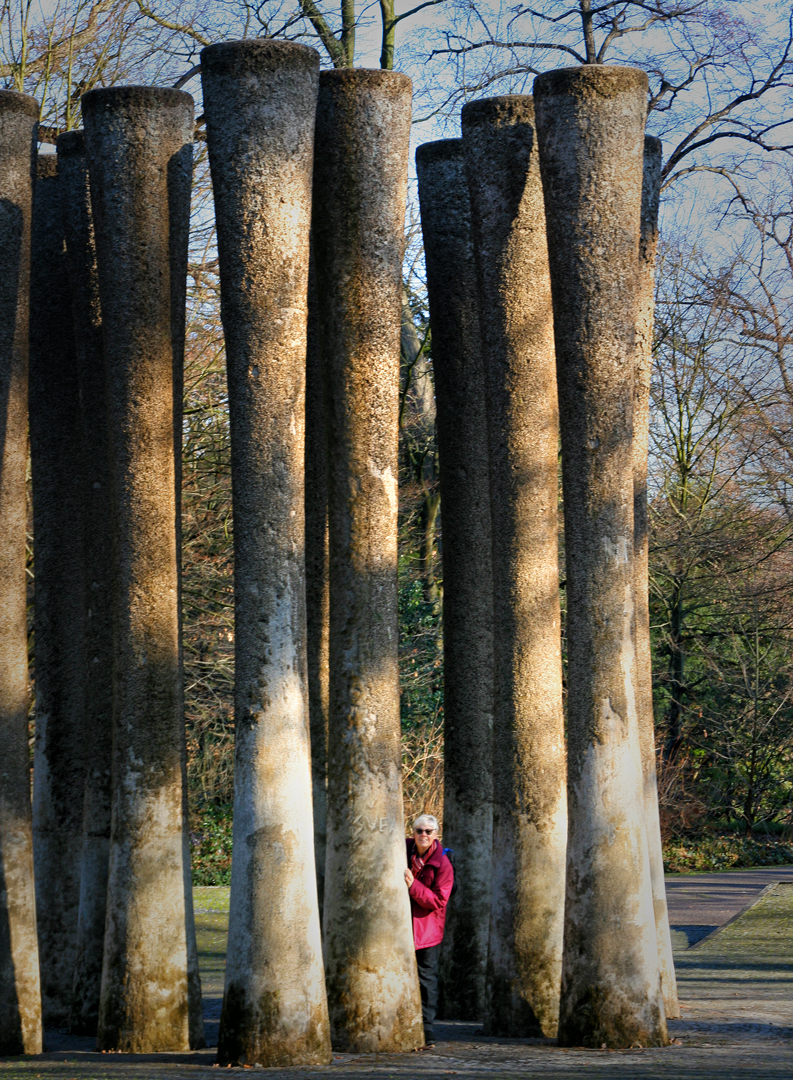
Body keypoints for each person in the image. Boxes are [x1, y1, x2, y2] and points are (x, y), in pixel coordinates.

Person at [404, 813, 454, 1049]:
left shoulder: (443, 863)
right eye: (419, 831)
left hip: (427, 931)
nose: (423, 835)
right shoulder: (403, 849)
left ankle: (427, 1028)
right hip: (403, 927)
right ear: (412, 832)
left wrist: (413, 885)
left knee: (426, 979)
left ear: (436, 835)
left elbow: (438, 900)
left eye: (428, 831)